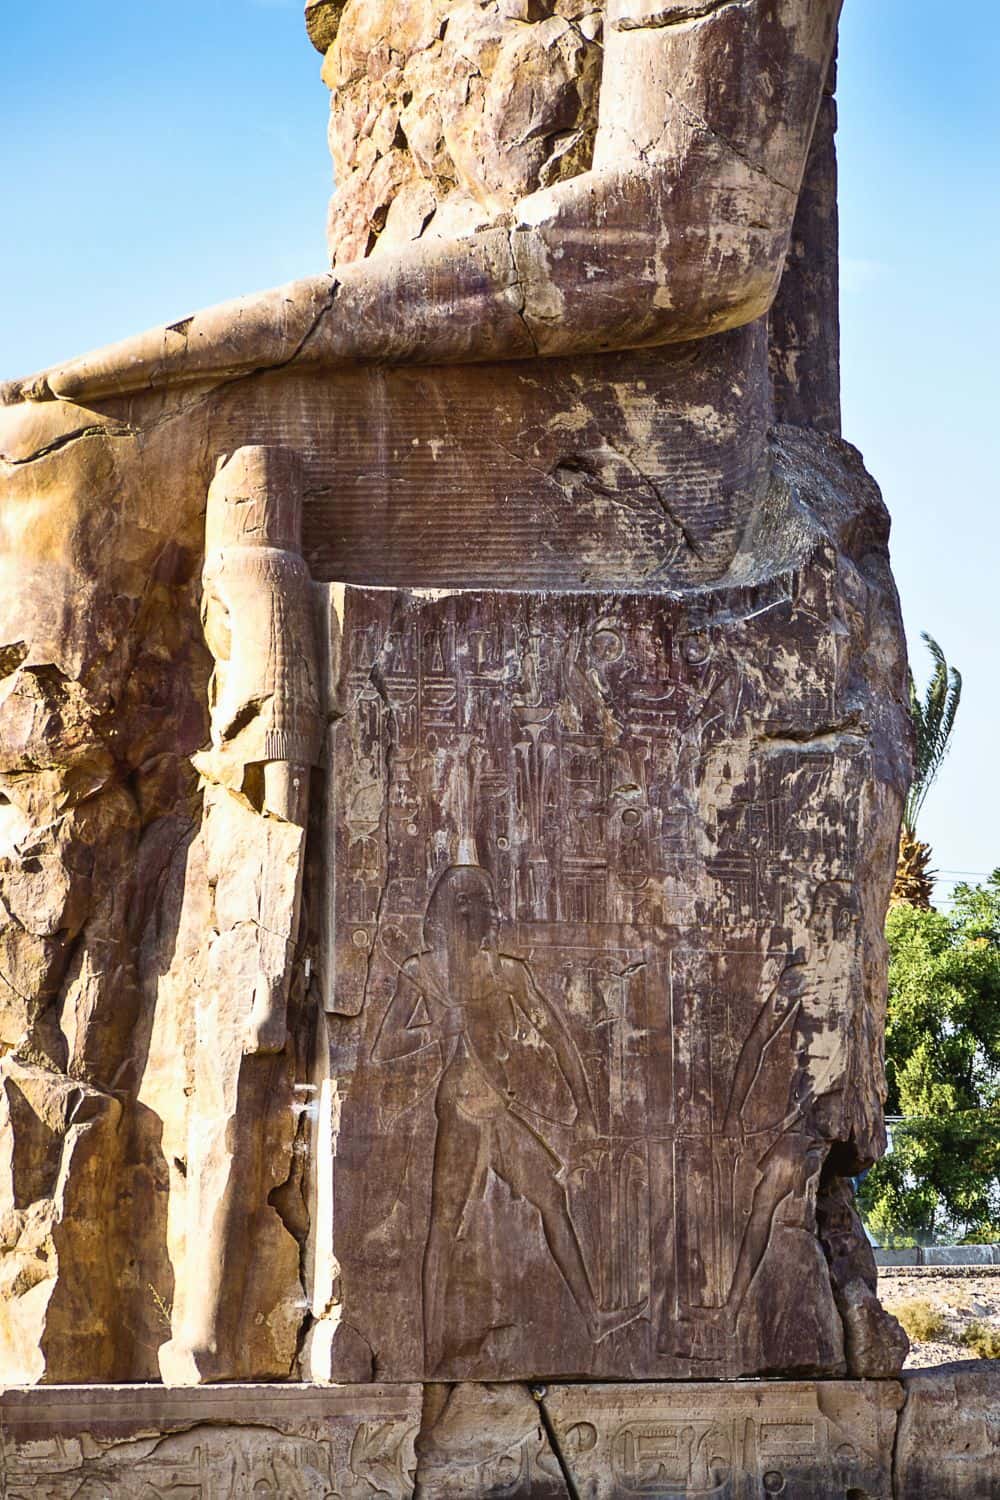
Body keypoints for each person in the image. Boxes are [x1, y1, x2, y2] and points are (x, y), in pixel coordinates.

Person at [373, 863, 643, 1372]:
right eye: (463, 910)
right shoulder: (422, 972)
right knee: (443, 1226)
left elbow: (558, 1036)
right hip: (459, 1117)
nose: (474, 920)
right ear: (444, 915)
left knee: (551, 1196)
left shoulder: (507, 973)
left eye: (481, 910)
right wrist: (434, 1029)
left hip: (498, 1110)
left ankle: (592, 1316)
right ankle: (430, 1348)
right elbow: (384, 1046)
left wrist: (584, 1107)